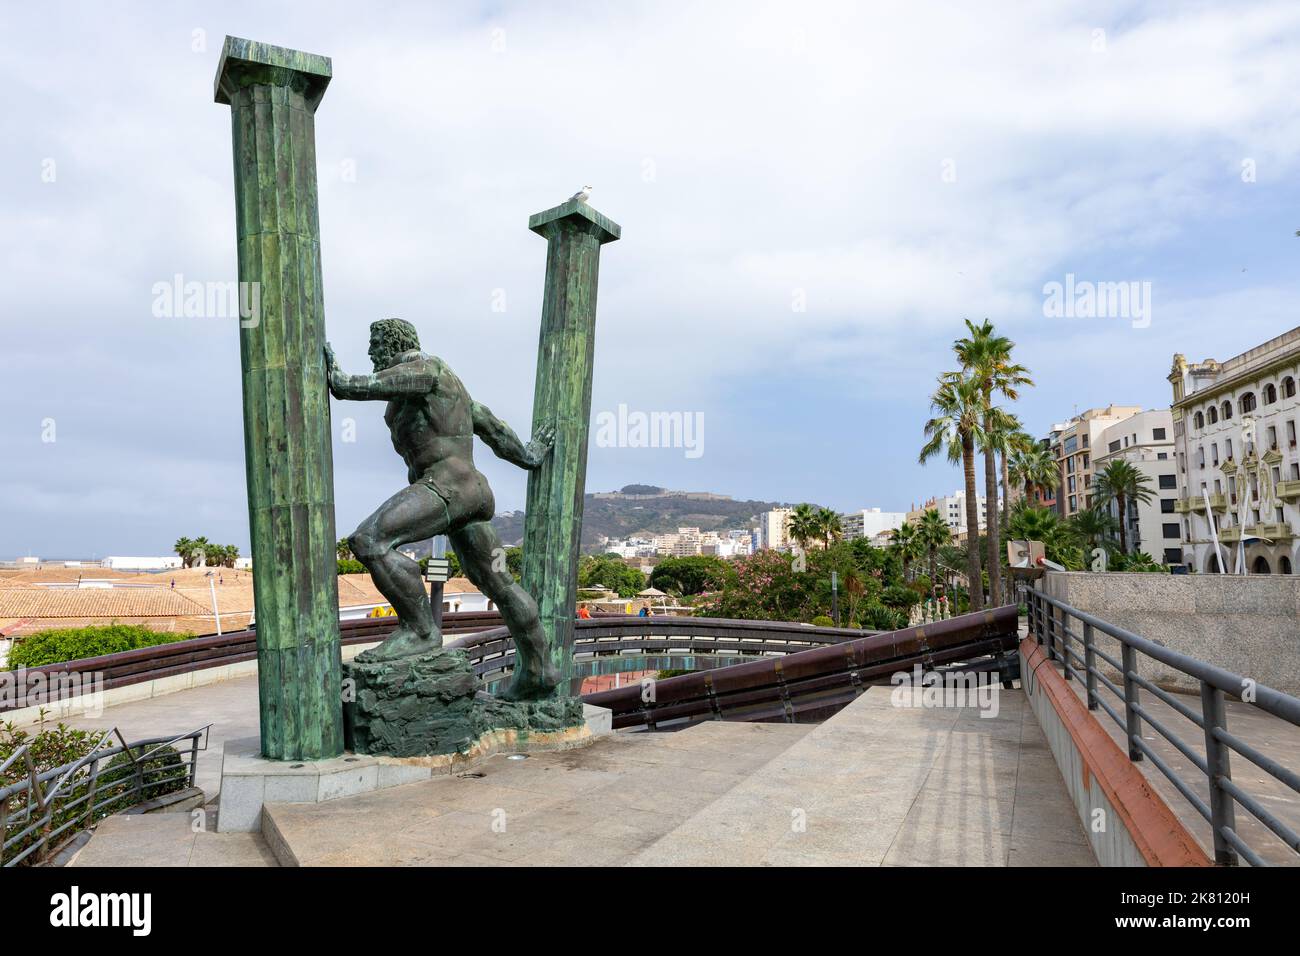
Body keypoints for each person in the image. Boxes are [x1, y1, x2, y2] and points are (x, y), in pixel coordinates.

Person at [326, 318, 557, 700]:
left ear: (392, 344)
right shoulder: (451, 391)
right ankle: (541, 669)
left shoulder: (425, 368)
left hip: (447, 489)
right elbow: (494, 430)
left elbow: (360, 387)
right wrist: (530, 456)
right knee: (500, 583)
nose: (370, 354)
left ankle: (420, 630)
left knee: (369, 540)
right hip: (472, 497)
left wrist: (336, 374)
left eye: (374, 345)